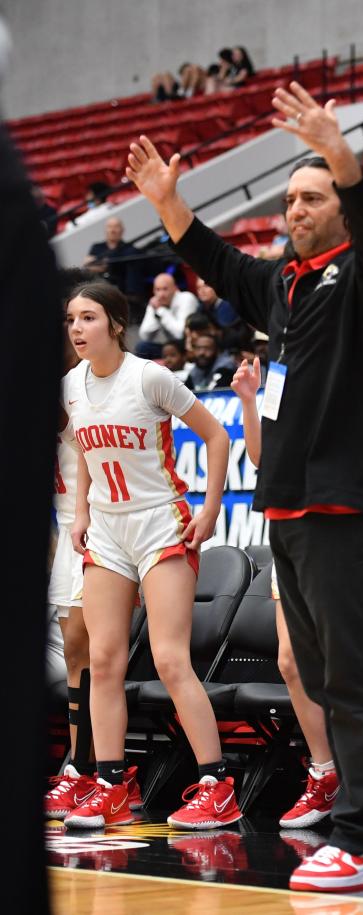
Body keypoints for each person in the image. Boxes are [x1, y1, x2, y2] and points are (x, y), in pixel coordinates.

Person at [126, 83, 363, 891]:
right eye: (289, 197)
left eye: (311, 196)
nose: (294, 207)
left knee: (354, 676)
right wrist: (170, 205)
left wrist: (344, 159)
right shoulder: (284, 285)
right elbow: (216, 262)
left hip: (346, 505)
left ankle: (360, 835)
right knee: (324, 675)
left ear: (343, 209)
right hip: (285, 507)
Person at [61, 280, 235, 833]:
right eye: (71, 320)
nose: (76, 329)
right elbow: (86, 448)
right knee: (104, 661)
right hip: (107, 529)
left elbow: (215, 436)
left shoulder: (149, 377)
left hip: (161, 522)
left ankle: (217, 782)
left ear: (115, 323)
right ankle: (111, 783)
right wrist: (85, 511)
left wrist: (208, 510)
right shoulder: (71, 385)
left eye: (87, 318)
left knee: (168, 659)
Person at [229, 356, 340, 829]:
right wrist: (250, 402)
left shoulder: (345, 370)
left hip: (339, 531)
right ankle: (326, 773)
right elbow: (261, 459)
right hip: (290, 536)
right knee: (291, 660)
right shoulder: (281, 375)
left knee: (343, 661)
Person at [44, 317, 98, 822]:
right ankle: (77, 768)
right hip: (68, 526)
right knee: (79, 654)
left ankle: (98, 771)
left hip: (102, 522)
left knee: (97, 654)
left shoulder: (84, 383)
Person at [137, 273, 200, 358]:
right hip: (171, 348)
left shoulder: (186, 298)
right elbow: (144, 335)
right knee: (142, 347)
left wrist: (161, 311)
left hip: (188, 347)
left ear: (175, 288)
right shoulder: (156, 303)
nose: (161, 294)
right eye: (158, 290)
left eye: (165, 289)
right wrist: (154, 311)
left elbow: (180, 334)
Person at [83, 217, 143, 298]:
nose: (112, 230)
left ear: (122, 230)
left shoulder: (130, 249)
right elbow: (87, 264)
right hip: (100, 287)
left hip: (122, 288)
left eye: (116, 227)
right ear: (105, 230)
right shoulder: (97, 247)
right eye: (109, 227)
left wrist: (103, 264)